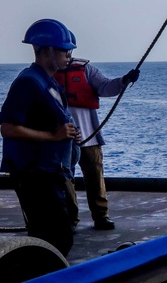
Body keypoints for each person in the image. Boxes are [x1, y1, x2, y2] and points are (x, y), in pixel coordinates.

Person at [0, 19, 81, 256]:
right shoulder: (28, 82)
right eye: (65, 50)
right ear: (47, 51)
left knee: (57, 238)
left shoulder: (48, 81)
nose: (69, 55)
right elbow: (8, 128)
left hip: (51, 171)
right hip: (35, 174)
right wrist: (54, 136)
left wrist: (69, 134)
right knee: (53, 239)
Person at [54, 49, 139, 231]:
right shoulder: (47, 73)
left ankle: (101, 216)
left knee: (95, 177)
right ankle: (69, 218)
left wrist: (124, 80)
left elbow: (105, 86)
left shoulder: (86, 70)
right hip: (61, 138)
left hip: (88, 135)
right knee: (64, 181)